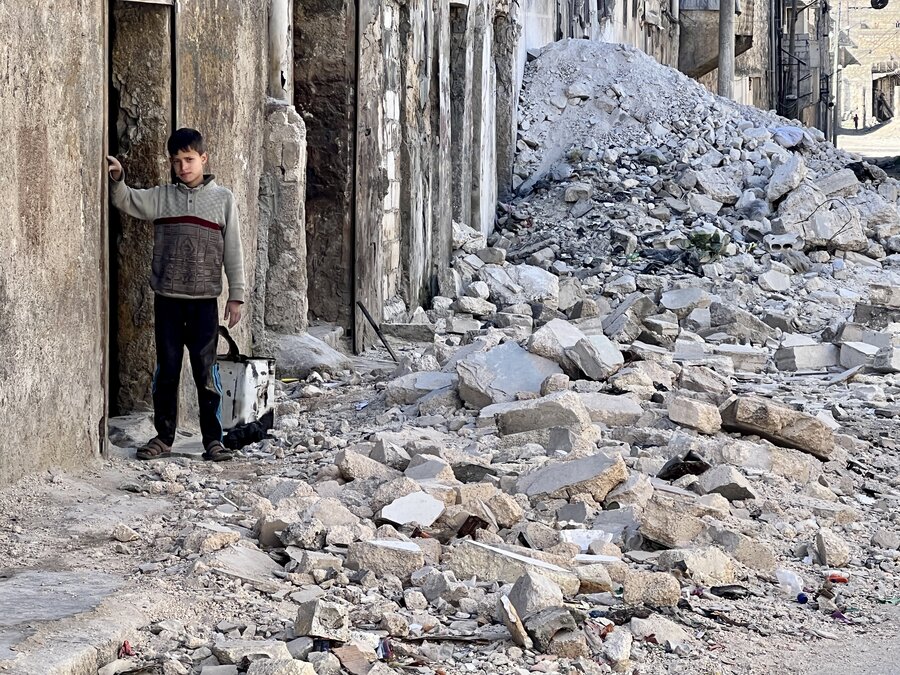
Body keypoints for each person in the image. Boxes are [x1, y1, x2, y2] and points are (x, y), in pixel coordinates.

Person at [107, 128, 244, 462]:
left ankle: (213, 440)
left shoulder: (223, 200)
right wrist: (118, 178)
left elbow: (233, 250)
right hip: (167, 299)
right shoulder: (163, 197)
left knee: (206, 372)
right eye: (176, 161)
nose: (183, 167)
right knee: (166, 370)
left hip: (204, 304)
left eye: (189, 159)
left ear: (203, 159)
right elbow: (126, 200)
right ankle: (164, 437)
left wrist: (236, 294)